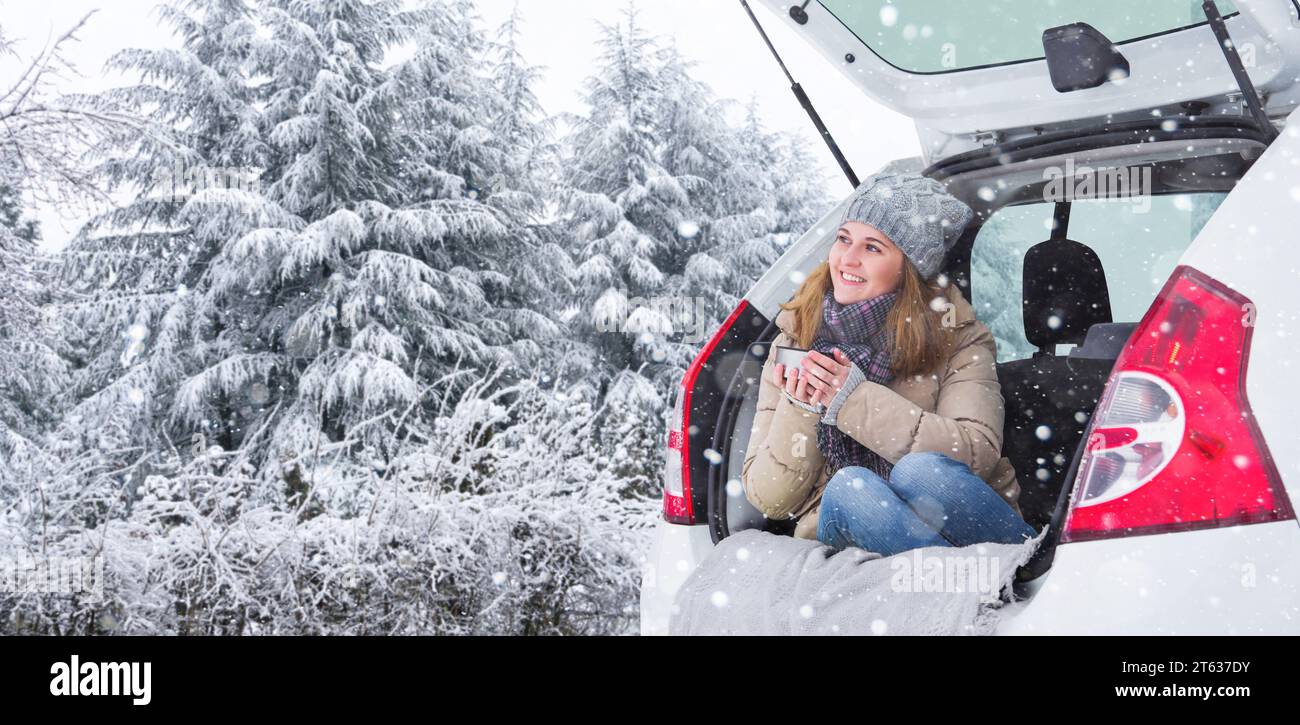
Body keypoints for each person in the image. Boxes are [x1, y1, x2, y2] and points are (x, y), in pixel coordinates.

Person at [740, 172, 1037, 557]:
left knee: (920, 472)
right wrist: (801, 407)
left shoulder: (959, 338)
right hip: (852, 525)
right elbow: (771, 500)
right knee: (851, 488)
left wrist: (852, 401)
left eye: (873, 248)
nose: (847, 258)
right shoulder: (796, 338)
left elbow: (976, 454)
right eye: (844, 239)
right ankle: (965, 592)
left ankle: (974, 582)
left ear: (908, 268)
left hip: (968, 531)